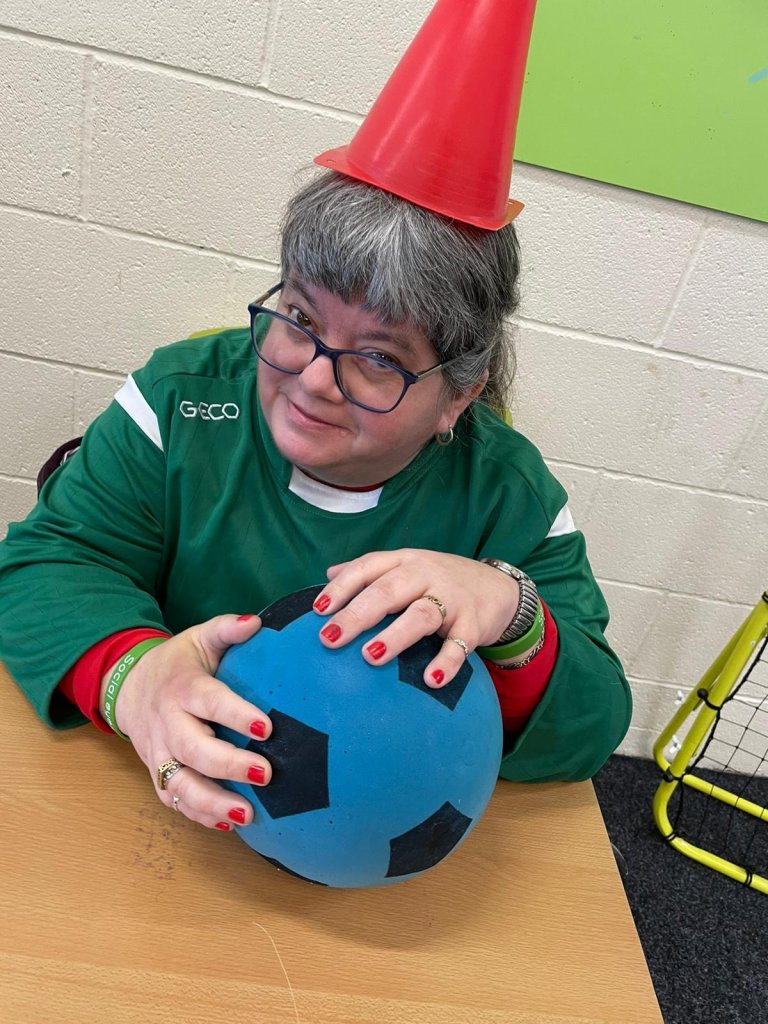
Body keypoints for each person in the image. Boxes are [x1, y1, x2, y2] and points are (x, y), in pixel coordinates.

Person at [0, 169, 631, 834]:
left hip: (376, 830)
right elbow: (43, 567)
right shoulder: (176, 402)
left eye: (379, 358)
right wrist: (132, 678)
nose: (314, 378)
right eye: (301, 318)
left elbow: (590, 728)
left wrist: (513, 614)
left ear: (459, 395)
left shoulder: (508, 493)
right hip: (156, 808)